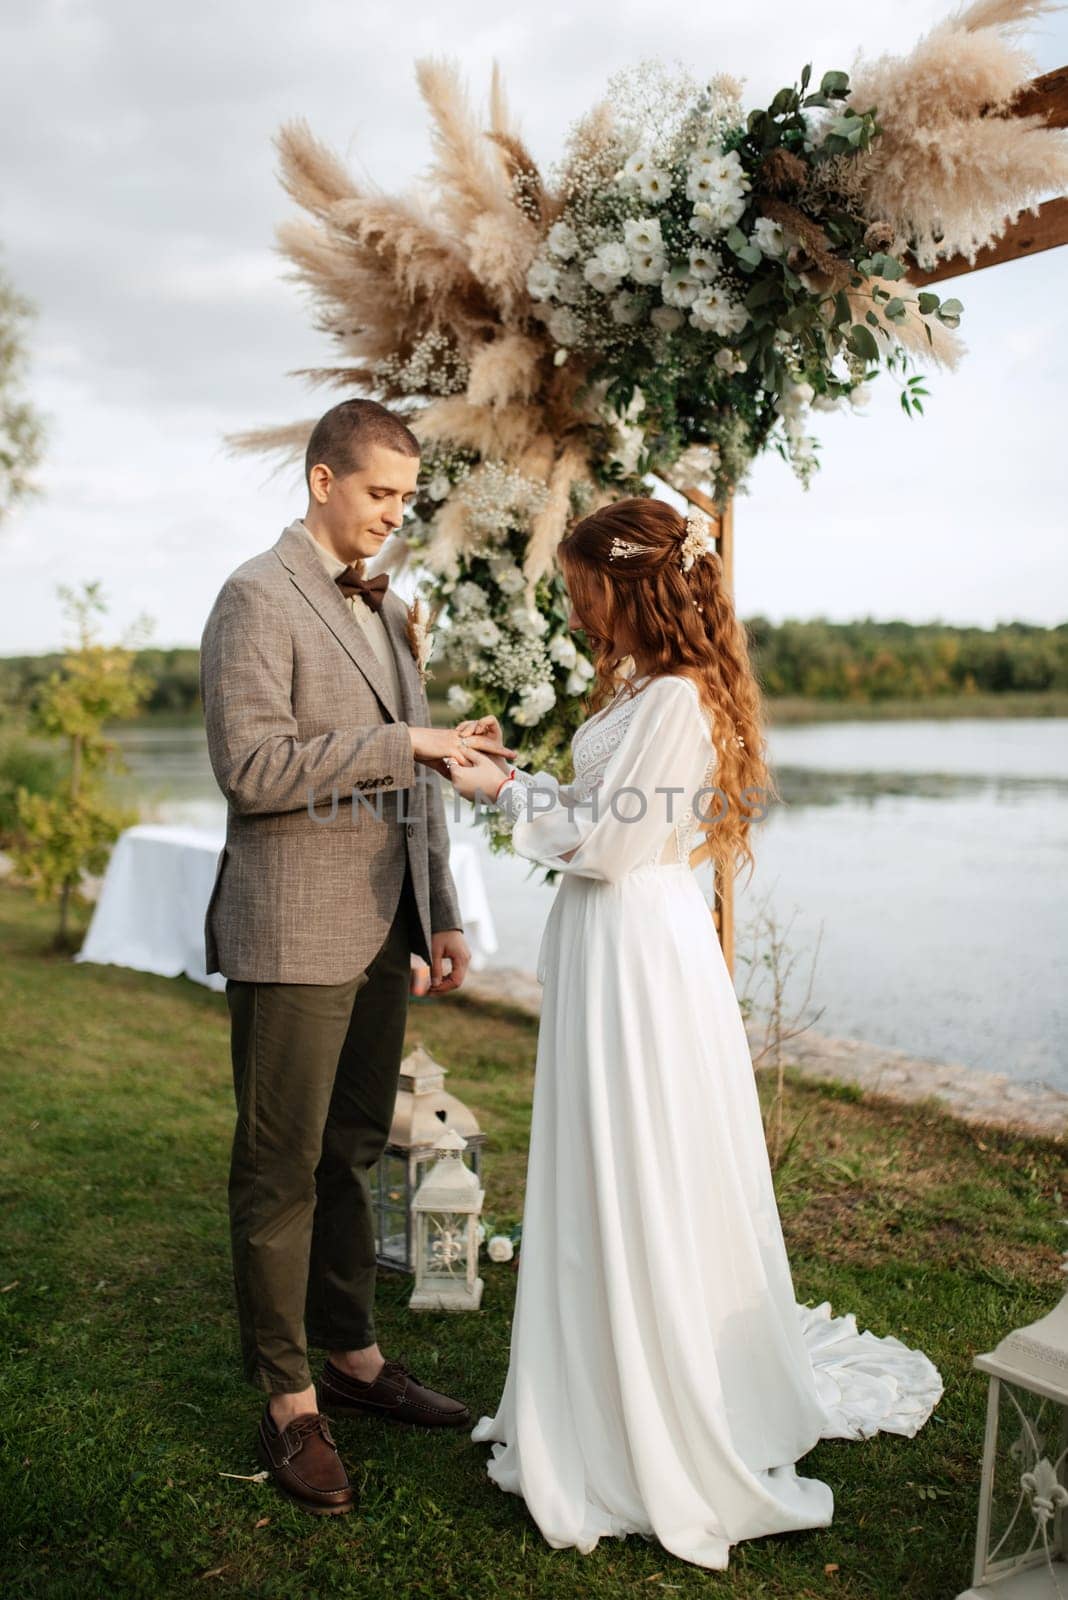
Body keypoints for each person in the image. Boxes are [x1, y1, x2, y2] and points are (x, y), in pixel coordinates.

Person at [445, 496, 943, 1571]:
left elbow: (615, 848)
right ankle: (598, 1378)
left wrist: (500, 791)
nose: (578, 613)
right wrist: (518, 778)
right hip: (611, 941)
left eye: (585, 592)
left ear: (630, 587)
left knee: (646, 1163)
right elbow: (602, 813)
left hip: (640, 952)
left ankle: (652, 1409)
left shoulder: (675, 698)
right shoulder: (641, 689)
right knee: (606, 1161)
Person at [199, 398, 515, 1516]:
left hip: (384, 927)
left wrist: (440, 908)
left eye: (404, 497)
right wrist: (405, 741)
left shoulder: (387, 608)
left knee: (346, 1153)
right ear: (323, 479)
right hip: (289, 927)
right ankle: (290, 1402)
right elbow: (253, 769)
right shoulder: (253, 594)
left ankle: (354, 1355)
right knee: (280, 1165)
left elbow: (421, 769)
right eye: (380, 492)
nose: (394, 515)